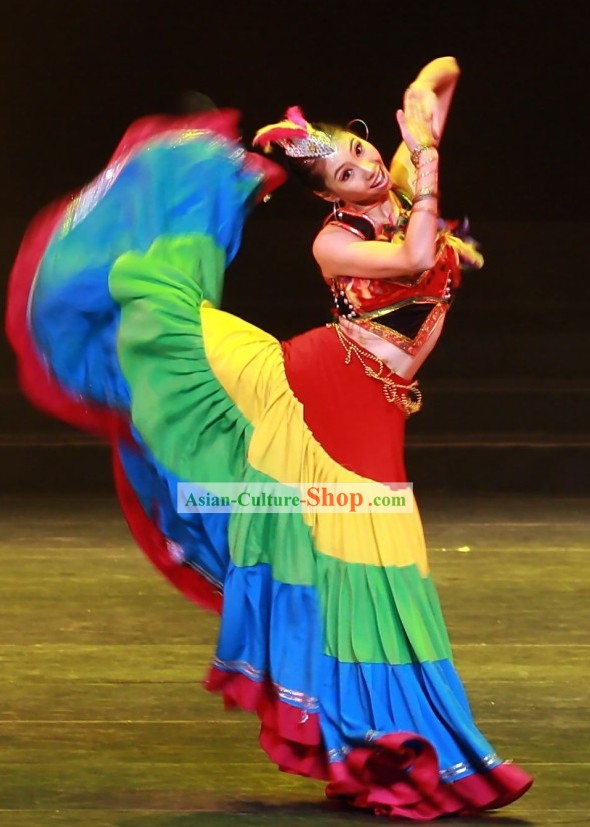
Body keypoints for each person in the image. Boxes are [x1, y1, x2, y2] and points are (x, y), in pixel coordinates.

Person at [5, 57, 533, 820]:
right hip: (321, 394)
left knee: (373, 567)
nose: (364, 172)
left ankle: (378, 744)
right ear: (329, 199)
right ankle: (392, 745)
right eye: (347, 177)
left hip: (372, 407)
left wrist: (419, 112)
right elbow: (419, 257)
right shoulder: (336, 242)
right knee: (370, 561)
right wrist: (426, 156)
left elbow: (445, 74)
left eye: (361, 155)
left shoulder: (403, 190)